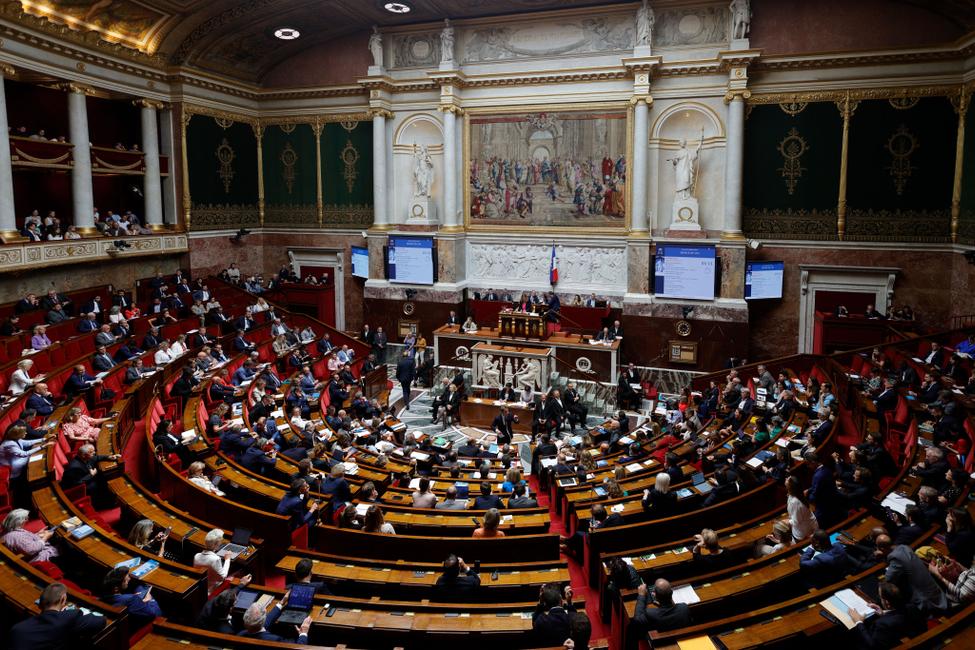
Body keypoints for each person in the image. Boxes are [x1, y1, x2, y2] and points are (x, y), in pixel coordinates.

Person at [10, 582, 106, 649]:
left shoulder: (17, 628)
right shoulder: (69, 617)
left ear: (40, 604)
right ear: (63, 599)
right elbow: (101, 621)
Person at [878, 534, 948, 612]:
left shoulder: (895, 557)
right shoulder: (904, 547)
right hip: (936, 592)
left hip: (927, 603)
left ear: (882, 549)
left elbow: (888, 579)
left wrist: (883, 555)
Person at [849, 582, 923, 649]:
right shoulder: (912, 607)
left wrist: (858, 622)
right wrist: (883, 613)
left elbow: (873, 645)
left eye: (880, 596)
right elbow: (898, 616)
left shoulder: (881, 624)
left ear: (887, 603)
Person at [239, 597, 311, 642]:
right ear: (263, 619)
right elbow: (298, 647)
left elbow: (265, 622)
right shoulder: (274, 640)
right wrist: (303, 633)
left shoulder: (240, 634)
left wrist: (281, 603)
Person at [194, 528, 232, 595]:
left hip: (201, 588)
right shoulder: (215, 559)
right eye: (220, 542)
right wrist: (227, 559)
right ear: (216, 545)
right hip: (212, 590)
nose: (221, 543)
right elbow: (223, 577)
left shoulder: (196, 556)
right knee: (235, 575)